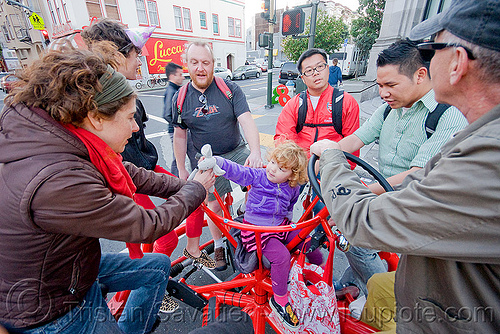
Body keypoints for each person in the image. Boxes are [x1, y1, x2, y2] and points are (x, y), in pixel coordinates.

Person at [310, 0, 500, 332]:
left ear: (456, 62)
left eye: (431, 48)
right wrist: (321, 157)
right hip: (433, 282)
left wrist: (331, 162)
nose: (383, 93)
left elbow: (370, 215)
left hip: (445, 314)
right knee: (381, 284)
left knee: (352, 239)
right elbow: (355, 141)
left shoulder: (475, 144)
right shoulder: (473, 131)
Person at [0, 45, 214, 333]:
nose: (136, 128)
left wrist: (185, 185)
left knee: (157, 266)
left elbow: (132, 173)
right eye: (129, 118)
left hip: (70, 270)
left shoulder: (70, 141)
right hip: (52, 307)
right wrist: (196, 190)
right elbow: (144, 225)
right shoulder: (59, 179)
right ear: (96, 117)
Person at [335, 39, 468, 296]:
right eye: (380, 85)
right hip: (383, 191)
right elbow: (355, 139)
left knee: (354, 234)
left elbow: (417, 173)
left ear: (420, 75)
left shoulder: (447, 115)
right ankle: (354, 282)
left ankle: (387, 296)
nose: (383, 93)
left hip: (414, 202)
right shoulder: (388, 110)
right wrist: (326, 154)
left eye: (391, 85)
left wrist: (360, 193)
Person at [82, 19, 183, 313]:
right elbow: (119, 160)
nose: (141, 59)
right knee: (156, 237)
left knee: (148, 237)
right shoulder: (106, 99)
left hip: (140, 170)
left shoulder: (117, 91)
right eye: (136, 53)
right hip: (128, 176)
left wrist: (186, 186)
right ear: (118, 54)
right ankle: (146, 289)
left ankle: (142, 282)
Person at [173, 41, 263, 271]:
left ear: (213, 64)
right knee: (214, 204)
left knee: (264, 176)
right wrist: (182, 168)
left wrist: (255, 152)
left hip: (235, 150)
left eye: (205, 62)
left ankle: (253, 222)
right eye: (195, 62)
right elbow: (180, 136)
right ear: (187, 65)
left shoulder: (229, 88)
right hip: (207, 159)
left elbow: (246, 121)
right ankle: (219, 244)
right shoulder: (181, 98)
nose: (200, 68)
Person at [214, 141, 323, 329]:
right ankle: (280, 301)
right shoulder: (259, 176)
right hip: (257, 232)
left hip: (280, 226)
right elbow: (238, 172)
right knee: (281, 256)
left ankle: (315, 275)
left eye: (281, 168)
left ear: (292, 175)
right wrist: (216, 161)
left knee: (307, 242)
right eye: (272, 162)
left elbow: (289, 206)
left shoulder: (292, 188)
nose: (272, 169)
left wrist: (291, 227)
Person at [163, 61, 197, 177]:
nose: (183, 77)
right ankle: (178, 182)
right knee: (180, 159)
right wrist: (180, 125)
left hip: (181, 130)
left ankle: (191, 177)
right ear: (172, 76)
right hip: (178, 131)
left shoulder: (175, 90)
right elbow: (167, 114)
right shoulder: (172, 91)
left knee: (189, 156)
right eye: (180, 74)